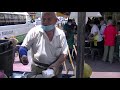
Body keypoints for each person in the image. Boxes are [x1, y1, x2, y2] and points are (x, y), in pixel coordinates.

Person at [19, 12, 68, 78]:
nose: (45, 22)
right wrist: (23, 56)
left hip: (55, 71)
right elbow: (23, 47)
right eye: (43, 19)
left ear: (56, 20)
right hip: (37, 70)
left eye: (49, 19)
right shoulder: (34, 32)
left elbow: (64, 53)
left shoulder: (60, 34)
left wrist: (55, 65)